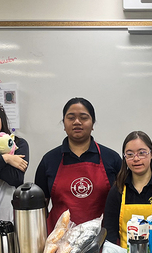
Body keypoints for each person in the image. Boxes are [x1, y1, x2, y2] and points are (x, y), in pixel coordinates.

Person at [35, 98, 122, 231]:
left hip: (102, 240)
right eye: (71, 117)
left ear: (93, 124)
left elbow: (123, 202)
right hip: (60, 244)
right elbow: (40, 208)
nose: (77, 122)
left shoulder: (111, 158)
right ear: (64, 124)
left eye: (83, 117)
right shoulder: (49, 160)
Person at [102, 131, 152, 247]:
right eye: (130, 154)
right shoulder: (117, 190)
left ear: (151, 154)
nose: (136, 158)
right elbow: (110, 232)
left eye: (142, 153)